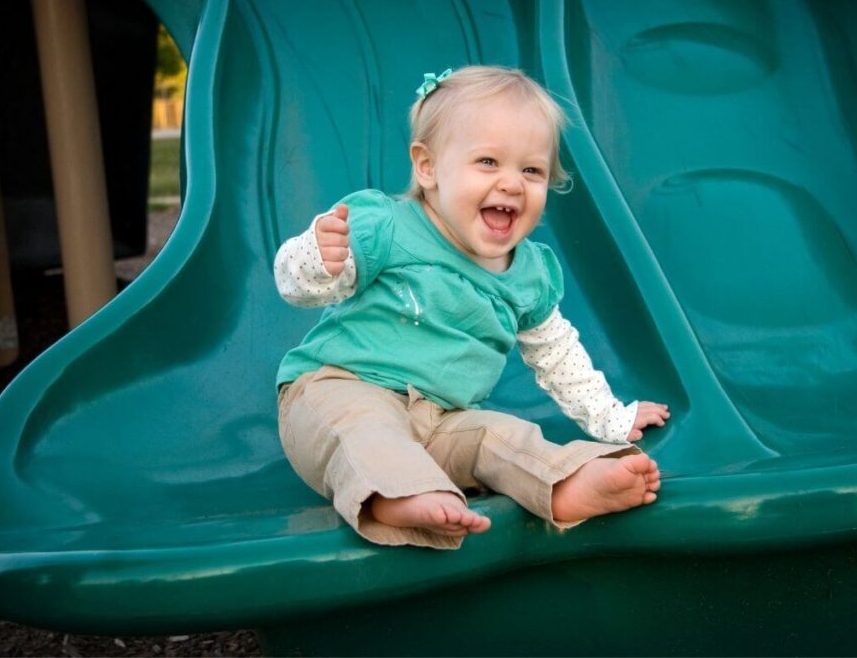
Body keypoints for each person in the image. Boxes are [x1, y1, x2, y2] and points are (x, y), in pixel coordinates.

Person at [274, 65, 670, 549]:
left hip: (443, 422)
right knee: (365, 427)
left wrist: (611, 418)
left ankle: (562, 484)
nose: (511, 184)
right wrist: (318, 258)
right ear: (428, 167)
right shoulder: (387, 226)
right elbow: (304, 289)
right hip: (338, 390)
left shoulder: (529, 274)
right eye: (487, 162)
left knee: (501, 436)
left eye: (531, 170)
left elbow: (558, 355)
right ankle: (397, 495)